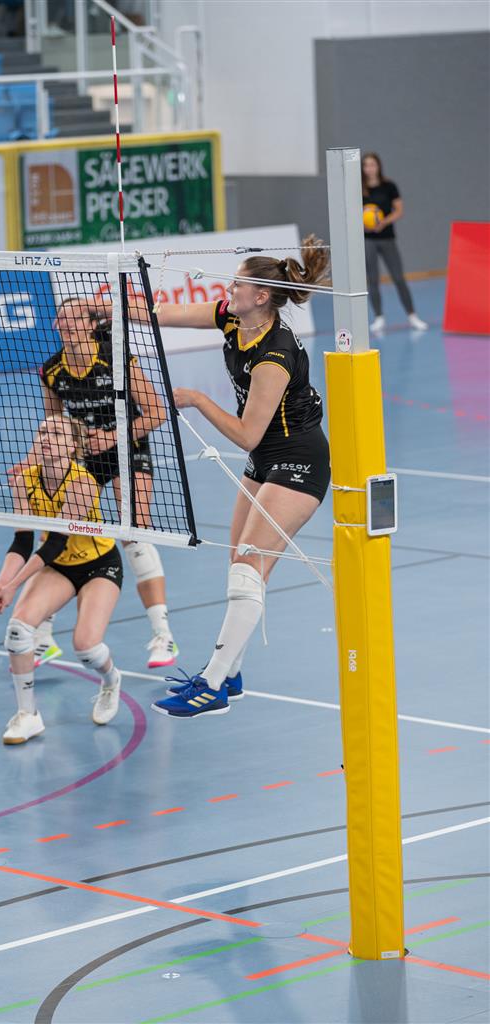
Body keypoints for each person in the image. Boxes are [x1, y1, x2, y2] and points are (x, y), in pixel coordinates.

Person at [131, 238, 332, 718]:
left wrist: (198, 399)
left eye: (238, 283)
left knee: (248, 568)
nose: (229, 288)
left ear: (260, 296)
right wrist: (112, 309)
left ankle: (212, 685)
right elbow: (161, 314)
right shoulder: (232, 319)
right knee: (242, 567)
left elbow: (245, 434)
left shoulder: (274, 356)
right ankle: (231, 675)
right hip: (265, 460)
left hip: (298, 460)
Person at [25, 298, 179, 671]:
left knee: (134, 531)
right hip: (85, 456)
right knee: (58, 529)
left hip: (127, 447)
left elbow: (157, 412)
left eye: (74, 316)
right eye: (61, 317)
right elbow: (54, 426)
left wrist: (112, 437)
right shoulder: (52, 371)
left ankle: (163, 635)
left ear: (91, 324)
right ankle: (43, 637)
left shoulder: (117, 360)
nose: (66, 322)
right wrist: (31, 462)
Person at [0, 415, 124, 744]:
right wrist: (1, 582)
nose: (47, 437)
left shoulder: (83, 483)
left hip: (98, 565)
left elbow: (54, 543)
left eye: (57, 433)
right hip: (59, 567)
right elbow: (22, 541)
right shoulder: (24, 481)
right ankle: (28, 715)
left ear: (74, 445)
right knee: (18, 631)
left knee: (87, 648)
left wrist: (13, 586)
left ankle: (111, 680)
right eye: (43, 431)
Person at [362, 152, 427, 334]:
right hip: (368, 240)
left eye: (372, 164)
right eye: (366, 165)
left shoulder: (389, 186)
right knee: (373, 280)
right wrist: (363, 223)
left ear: (378, 166)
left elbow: (399, 210)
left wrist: (384, 222)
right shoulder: (358, 188)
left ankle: (412, 315)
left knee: (398, 277)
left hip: (387, 238)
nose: (369, 168)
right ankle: (379, 318)